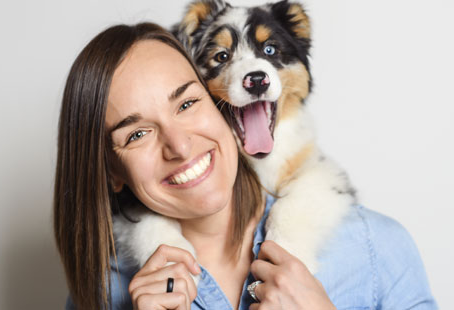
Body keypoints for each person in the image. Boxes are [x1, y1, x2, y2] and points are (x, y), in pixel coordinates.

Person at [54, 23, 437, 310]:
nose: (180, 145)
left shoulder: (374, 247)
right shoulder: (104, 290)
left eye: (187, 104)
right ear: (111, 172)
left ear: (223, 102)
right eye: (137, 134)